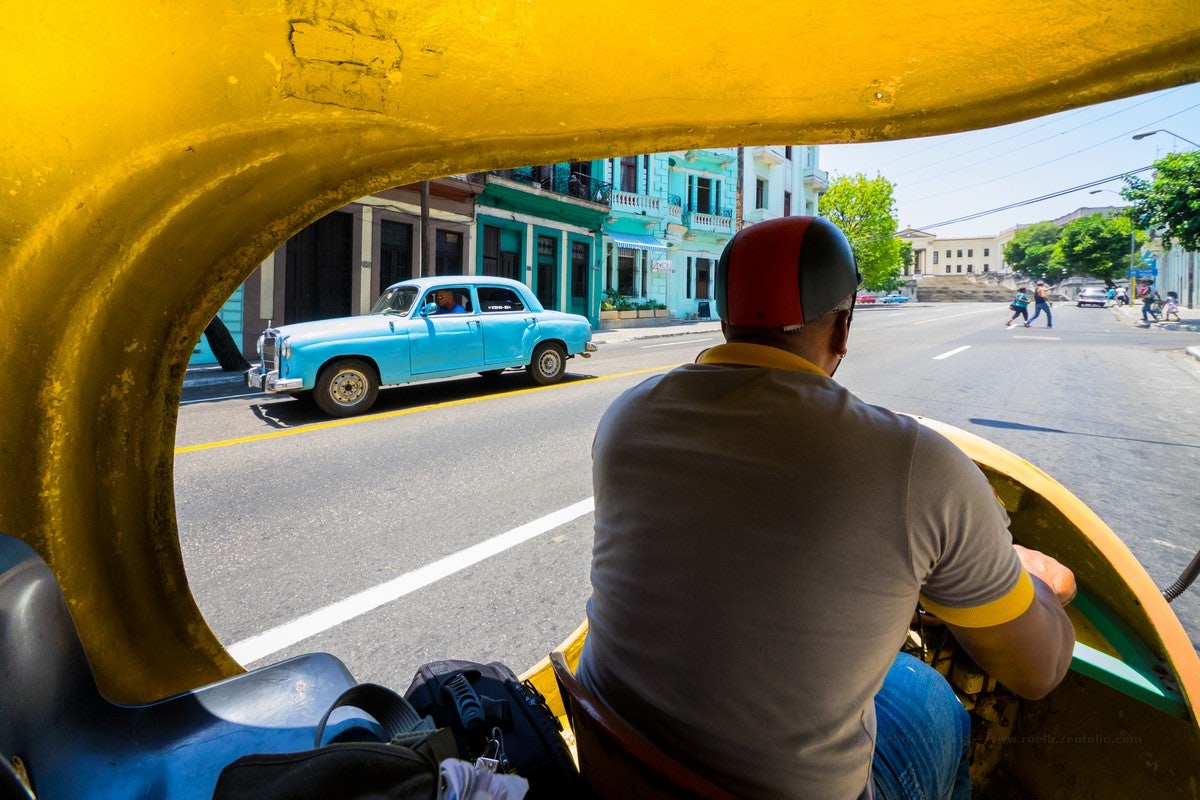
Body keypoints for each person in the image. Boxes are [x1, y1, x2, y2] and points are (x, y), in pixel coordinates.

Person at [578, 216, 1076, 800]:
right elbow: (1036, 673)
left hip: (618, 761)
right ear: (842, 329)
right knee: (934, 700)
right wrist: (1037, 585)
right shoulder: (916, 464)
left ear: (725, 320)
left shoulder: (627, 415)